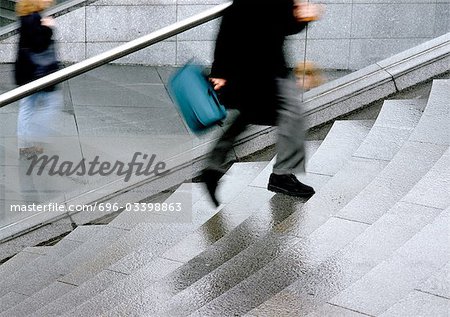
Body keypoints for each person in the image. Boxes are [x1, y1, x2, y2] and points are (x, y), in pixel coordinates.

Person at [202, 0, 323, 206]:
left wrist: (301, 17)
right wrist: (219, 72)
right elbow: (236, 24)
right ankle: (282, 176)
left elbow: (279, 23)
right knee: (291, 114)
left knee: (249, 115)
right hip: (259, 69)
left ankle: (213, 167)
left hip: (258, 68)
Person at [15, 0, 61, 158]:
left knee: (28, 106)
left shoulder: (26, 16)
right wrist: (48, 27)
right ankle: (33, 137)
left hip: (27, 71)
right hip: (36, 72)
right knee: (50, 103)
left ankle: (25, 143)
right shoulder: (34, 17)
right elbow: (39, 44)